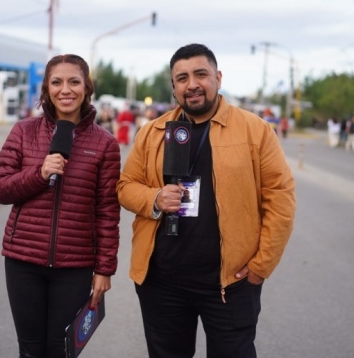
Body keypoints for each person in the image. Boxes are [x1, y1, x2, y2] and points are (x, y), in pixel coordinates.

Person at [117, 43, 296, 358]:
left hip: (230, 284)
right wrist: (155, 197)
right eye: (182, 78)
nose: (192, 84)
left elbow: (280, 200)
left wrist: (260, 267)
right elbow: (125, 185)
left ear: (218, 77)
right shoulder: (153, 133)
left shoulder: (256, 131)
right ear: (174, 88)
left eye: (201, 74)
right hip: (162, 282)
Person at [0, 54, 121, 357]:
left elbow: (107, 213)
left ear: (87, 87)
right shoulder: (24, 131)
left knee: (61, 351)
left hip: (75, 267)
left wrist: (104, 269)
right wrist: (39, 173)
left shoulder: (105, 144)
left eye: (74, 81)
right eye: (57, 82)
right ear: (47, 88)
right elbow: (0, 187)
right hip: (23, 261)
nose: (66, 89)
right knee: (31, 350)